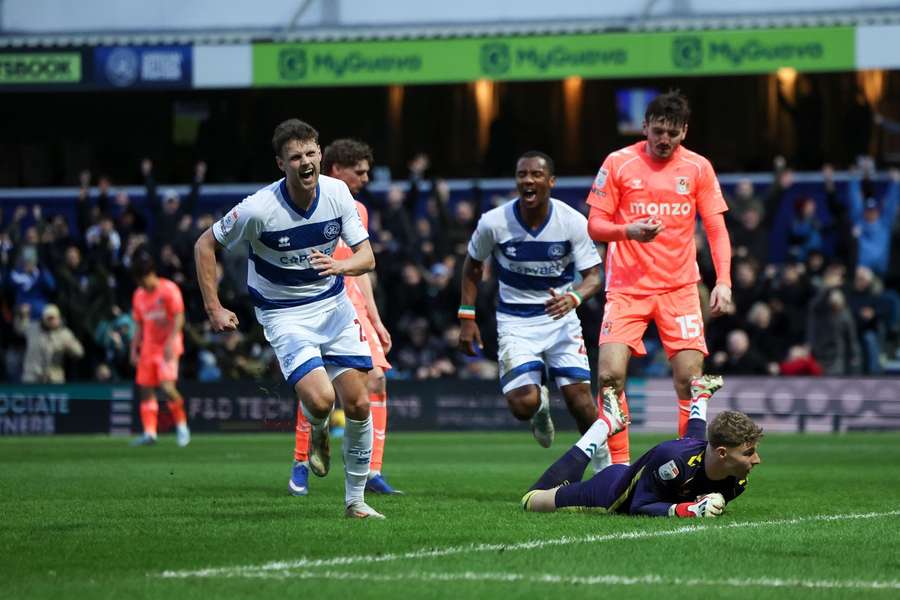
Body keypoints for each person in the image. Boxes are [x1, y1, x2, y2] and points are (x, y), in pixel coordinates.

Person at [193, 119, 383, 519]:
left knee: (360, 403)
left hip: (332, 306)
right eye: (296, 156)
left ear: (321, 154)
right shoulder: (258, 208)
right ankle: (317, 431)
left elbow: (367, 257)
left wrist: (340, 265)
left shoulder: (338, 194)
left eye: (312, 153)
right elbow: (204, 245)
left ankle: (355, 502)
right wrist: (213, 307)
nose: (306, 162)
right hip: (284, 313)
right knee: (320, 399)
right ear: (281, 163)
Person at [585, 90, 734, 464]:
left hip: (679, 289)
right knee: (609, 379)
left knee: (689, 380)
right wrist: (628, 231)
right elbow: (595, 225)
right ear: (644, 127)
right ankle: (619, 470)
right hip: (626, 289)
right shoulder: (618, 163)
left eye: (672, 132)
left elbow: (716, 229)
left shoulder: (698, 167)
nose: (664, 140)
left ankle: (688, 467)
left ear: (684, 131)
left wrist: (723, 281)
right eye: (658, 132)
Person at [458, 151, 603, 460]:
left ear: (551, 181)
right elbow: (472, 266)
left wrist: (574, 297)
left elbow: (594, 276)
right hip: (516, 321)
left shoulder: (572, 221)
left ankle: (607, 471)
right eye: (522, 174)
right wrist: (466, 316)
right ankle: (539, 409)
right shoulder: (494, 222)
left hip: (561, 319)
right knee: (522, 405)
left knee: (581, 402)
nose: (528, 180)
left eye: (536, 174)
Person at [291, 139, 401, 497]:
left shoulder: (360, 210)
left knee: (377, 383)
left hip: (353, 303)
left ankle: (372, 471)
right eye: (360, 171)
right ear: (336, 170)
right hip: (315, 304)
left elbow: (360, 268)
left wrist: (377, 317)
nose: (366, 178)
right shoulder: (305, 203)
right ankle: (301, 462)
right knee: (317, 389)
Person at [522, 376, 763, 518]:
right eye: (749, 453)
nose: (757, 460)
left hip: (645, 475)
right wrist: (689, 510)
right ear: (723, 453)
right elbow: (639, 505)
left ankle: (699, 397)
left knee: (690, 445)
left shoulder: (736, 480)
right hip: (611, 492)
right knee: (530, 500)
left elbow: (695, 443)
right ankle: (604, 425)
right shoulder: (673, 460)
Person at [129, 250, 191, 447]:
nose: (141, 285)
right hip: (148, 347)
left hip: (167, 347)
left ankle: (182, 427)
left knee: (166, 387)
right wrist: (133, 348)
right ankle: (150, 433)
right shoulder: (138, 295)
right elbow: (139, 325)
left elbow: (179, 317)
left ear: (150, 275)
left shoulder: (169, 290)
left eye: (142, 280)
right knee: (146, 390)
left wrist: (172, 342)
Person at [16, 303, 84, 383]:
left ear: (58, 318)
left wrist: (71, 347)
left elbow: (80, 352)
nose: (51, 321)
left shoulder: (64, 334)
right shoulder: (33, 328)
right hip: (32, 375)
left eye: (53, 318)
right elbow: (20, 328)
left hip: (54, 377)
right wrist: (23, 316)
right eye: (48, 318)